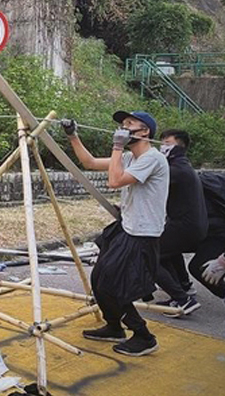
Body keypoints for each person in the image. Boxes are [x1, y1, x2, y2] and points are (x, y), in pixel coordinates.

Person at [62, 111, 168, 357]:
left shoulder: (153, 158)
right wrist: (72, 136)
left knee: (113, 284)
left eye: (130, 124)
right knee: (100, 279)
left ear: (145, 132)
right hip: (127, 226)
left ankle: (143, 336)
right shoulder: (131, 157)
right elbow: (89, 163)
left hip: (142, 233)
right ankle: (113, 326)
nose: (123, 127)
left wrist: (117, 147)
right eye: (122, 124)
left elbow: (115, 181)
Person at [152, 130, 205, 316]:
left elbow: (149, 185)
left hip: (184, 226)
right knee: (167, 250)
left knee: (148, 255)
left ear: (179, 146)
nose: (162, 147)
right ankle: (184, 286)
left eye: (167, 143)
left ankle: (182, 300)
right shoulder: (181, 165)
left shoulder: (177, 169)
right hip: (191, 226)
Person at [188, 172, 225, 302]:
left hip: (219, 232)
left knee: (201, 268)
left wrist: (222, 262)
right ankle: (182, 289)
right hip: (213, 230)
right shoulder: (196, 181)